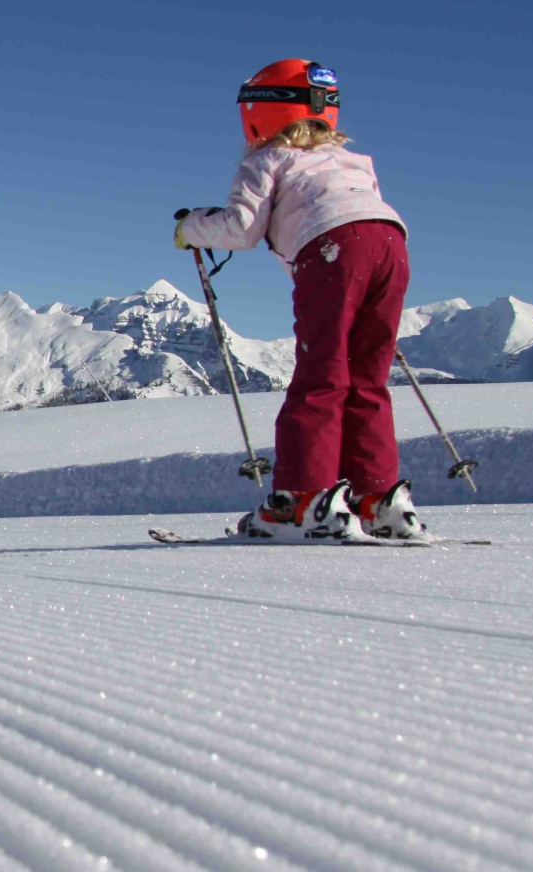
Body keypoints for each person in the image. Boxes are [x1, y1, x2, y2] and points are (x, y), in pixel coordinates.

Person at [174, 58, 427, 542]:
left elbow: (242, 228)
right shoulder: (355, 162)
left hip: (332, 250)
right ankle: (377, 502)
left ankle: (304, 502)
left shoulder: (268, 159)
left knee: (321, 377)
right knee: (368, 379)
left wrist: (189, 228)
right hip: (391, 244)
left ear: (261, 113)